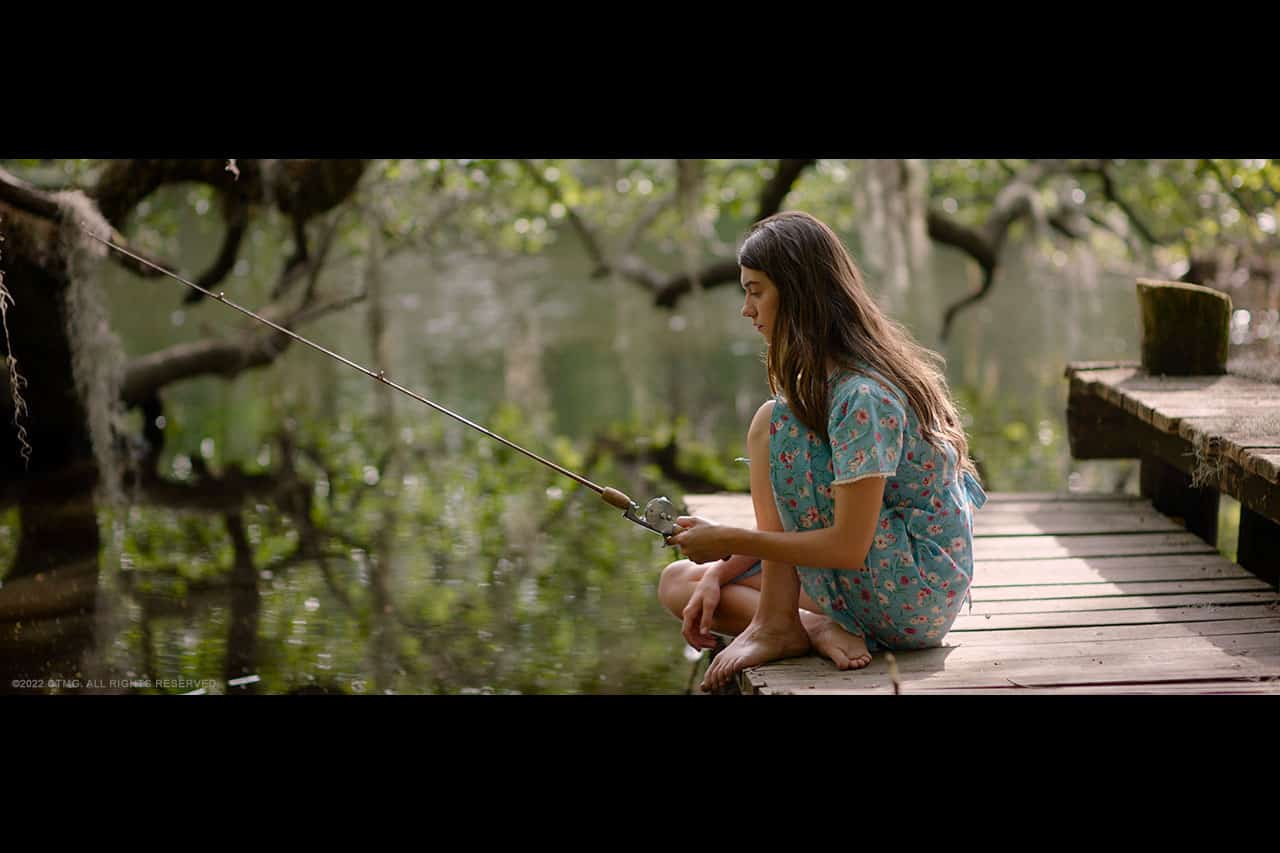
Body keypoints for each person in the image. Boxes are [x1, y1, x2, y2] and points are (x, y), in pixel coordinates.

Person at [657, 211, 987, 692]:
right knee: (681, 582)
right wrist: (723, 564)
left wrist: (732, 538)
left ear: (797, 294)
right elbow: (821, 530)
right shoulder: (829, 385)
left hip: (914, 597)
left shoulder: (863, 397)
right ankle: (806, 626)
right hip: (880, 579)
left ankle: (778, 624)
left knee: (771, 423)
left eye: (756, 292)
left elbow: (848, 545)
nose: (746, 310)